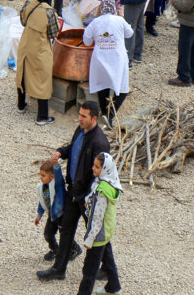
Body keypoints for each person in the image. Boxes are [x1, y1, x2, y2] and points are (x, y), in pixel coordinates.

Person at [37, 101, 110, 281]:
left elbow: (100, 175)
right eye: (80, 115)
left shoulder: (100, 142)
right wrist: (61, 152)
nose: (80, 119)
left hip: (86, 197)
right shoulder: (80, 130)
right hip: (73, 192)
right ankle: (59, 269)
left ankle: (108, 268)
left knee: (96, 233)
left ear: (94, 118)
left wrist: (89, 197)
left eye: (84, 116)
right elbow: (73, 149)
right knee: (66, 229)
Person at [83, 0, 133, 130]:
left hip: (100, 58)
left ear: (101, 9)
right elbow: (130, 33)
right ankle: (111, 114)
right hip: (118, 58)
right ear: (113, 8)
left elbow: (86, 41)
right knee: (122, 89)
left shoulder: (95, 22)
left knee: (102, 85)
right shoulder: (120, 20)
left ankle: (105, 112)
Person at [78, 152, 123, 295]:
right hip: (107, 231)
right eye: (94, 165)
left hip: (98, 234)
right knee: (107, 257)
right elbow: (93, 195)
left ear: (105, 169)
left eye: (97, 167)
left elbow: (97, 219)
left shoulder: (102, 192)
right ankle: (114, 287)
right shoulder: (109, 183)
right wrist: (88, 199)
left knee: (89, 269)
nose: (93, 168)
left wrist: (90, 239)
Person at [16, 0, 58, 126]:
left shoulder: (28, 4)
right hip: (40, 48)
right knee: (42, 78)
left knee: (22, 71)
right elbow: (53, 34)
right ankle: (42, 116)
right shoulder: (50, 12)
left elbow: (22, 21)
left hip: (25, 43)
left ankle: (21, 105)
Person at [35, 160, 81, 262]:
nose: (41, 178)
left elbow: (59, 176)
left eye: (43, 175)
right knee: (48, 234)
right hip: (52, 215)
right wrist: (39, 215)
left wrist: (56, 166)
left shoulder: (57, 184)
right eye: (40, 175)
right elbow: (42, 201)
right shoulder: (42, 187)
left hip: (61, 214)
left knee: (64, 234)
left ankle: (75, 249)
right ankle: (55, 249)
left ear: (52, 177)